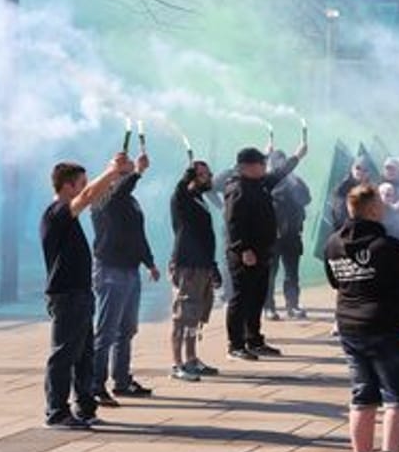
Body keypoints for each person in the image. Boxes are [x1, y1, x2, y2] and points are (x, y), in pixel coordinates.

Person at [325, 185, 399, 452]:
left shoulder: (332, 244)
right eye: (379, 203)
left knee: (363, 395)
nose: (383, 207)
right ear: (371, 209)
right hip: (386, 328)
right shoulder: (388, 246)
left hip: (350, 327)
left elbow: (335, 281)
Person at [41, 154, 131, 429]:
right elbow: (91, 194)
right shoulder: (57, 213)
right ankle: (56, 412)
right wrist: (112, 171)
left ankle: (85, 407)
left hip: (80, 294)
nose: (84, 187)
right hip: (66, 295)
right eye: (80, 183)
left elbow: (92, 192)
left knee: (84, 355)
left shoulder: (67, 215)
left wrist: (116, 174)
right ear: (68, 186)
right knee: (64, 355)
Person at [223, 141, 307, 361]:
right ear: (246, 167)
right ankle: (236, 344)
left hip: (262, 251)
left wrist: (297, 156)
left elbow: (278, 174)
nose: (264, 166)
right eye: (260, 163)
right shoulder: (238, 188)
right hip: (245, 255)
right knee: (241, 299)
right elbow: (233, 223)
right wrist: (244, 249)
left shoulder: (258, 183)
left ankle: (254, 339)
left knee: (257, 296)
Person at [89, 150, 160, 408]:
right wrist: (135, 173)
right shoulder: (103, 197)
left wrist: (149, 262)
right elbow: (117, 193)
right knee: (106, 331)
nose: (125, 174)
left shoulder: (129, 200)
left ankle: (122, 379)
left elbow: (137, 234)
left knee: (127, 329)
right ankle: (96, 384)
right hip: (110, 269)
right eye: (120, 170)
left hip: (130, 268)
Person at [169, 160, 223, 382]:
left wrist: (213, 267)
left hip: (202, 265)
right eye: (204, 174)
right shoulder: (182, 198)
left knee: (196, 316)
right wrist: (188, 175)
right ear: (192, 177)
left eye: (209, 173)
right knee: (183, 315)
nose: (209, 177)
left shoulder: (199, 198)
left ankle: (191, 358)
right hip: (188, 265)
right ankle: (177, 364)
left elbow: (204, 238)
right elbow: (179, 190)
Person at [264, 150, 313, 321]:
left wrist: (294, 184)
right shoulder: (268, 181)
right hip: (271, 236)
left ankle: (293, 305)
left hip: (292, 235)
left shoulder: (296, 181)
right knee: (270, 273)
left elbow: (307, 199)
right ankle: (269, 307)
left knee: (292, 273)